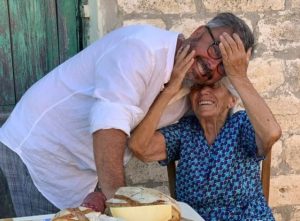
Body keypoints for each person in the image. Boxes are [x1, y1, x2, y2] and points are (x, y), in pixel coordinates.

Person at [0, 13, 254, 216]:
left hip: (83, 172)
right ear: (198, 32)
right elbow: (110, 122)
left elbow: (257, 136)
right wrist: (119, 201)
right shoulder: (141, 48)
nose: (213, 65)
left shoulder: (196, 91)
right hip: (37, 151)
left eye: (225, 66)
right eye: (216, 51)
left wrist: (239, 77)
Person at [128, 31, 282, 220]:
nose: (203, 93)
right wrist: (170, 91)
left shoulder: (241, 125)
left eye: (214, 87)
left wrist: (239, 77)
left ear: (231, 100)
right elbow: (138, 147)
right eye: (198, 88)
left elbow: (272, 133)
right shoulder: (185, 131)